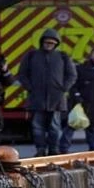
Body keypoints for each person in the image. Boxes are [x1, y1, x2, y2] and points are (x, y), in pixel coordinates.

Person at [16, 28, 76, 156]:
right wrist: (30, 87)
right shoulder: (31, 55)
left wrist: (64, 88)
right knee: (37, 127)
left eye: (52, 43)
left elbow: (72, 75)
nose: (49, 45)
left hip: (56, 99)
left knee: (54, 127)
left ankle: (53, 150)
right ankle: (40, 150)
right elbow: (22, 74)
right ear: (42, 42)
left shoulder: (62, 56)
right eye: (47, 42)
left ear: (56, 44)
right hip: (37, 98)